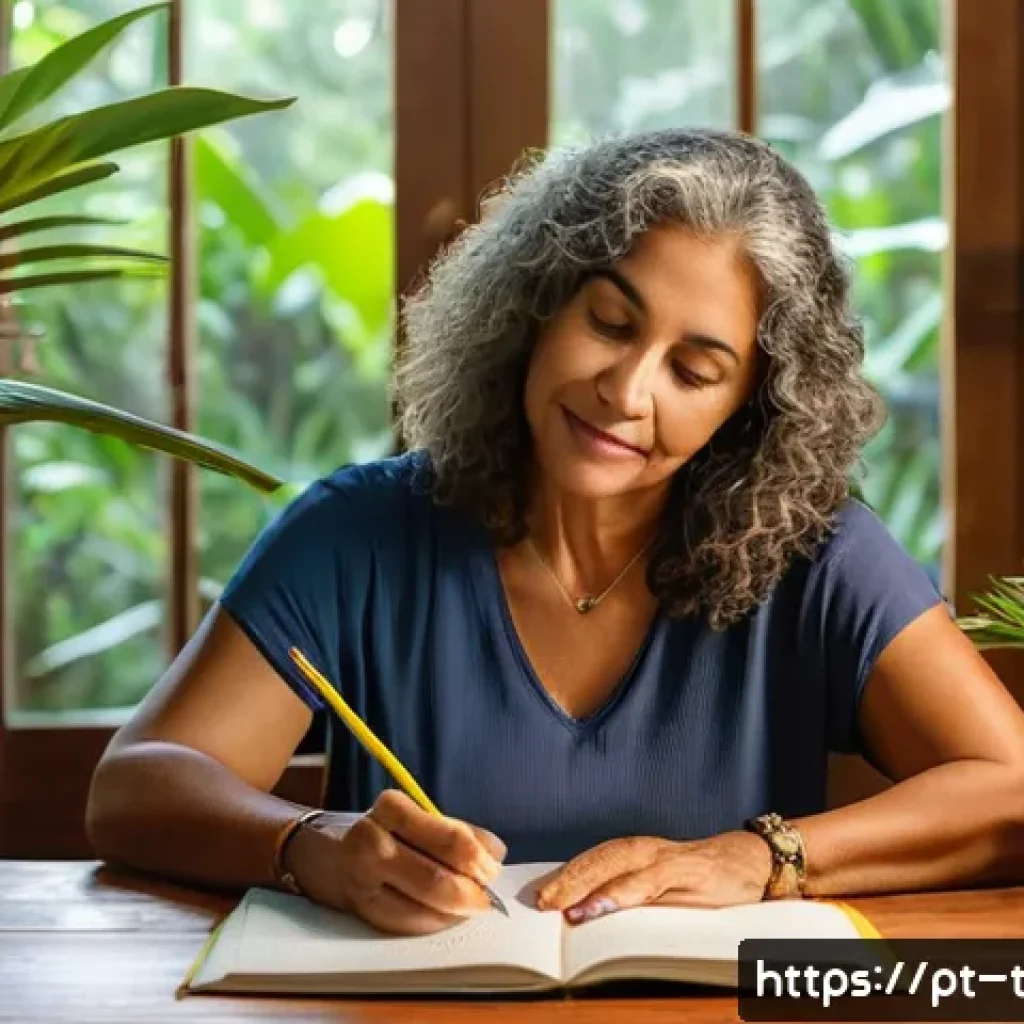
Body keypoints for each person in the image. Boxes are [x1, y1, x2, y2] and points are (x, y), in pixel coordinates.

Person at [86, 128, 1024, 938]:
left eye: (694, 373)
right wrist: (308, 845)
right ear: (537, 304)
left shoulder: (821, 559)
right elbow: (136, 788)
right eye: (610, 322)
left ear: (748, 412)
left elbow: (1010, 789)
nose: (626, 392)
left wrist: (764, 857)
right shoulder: (357, 535)